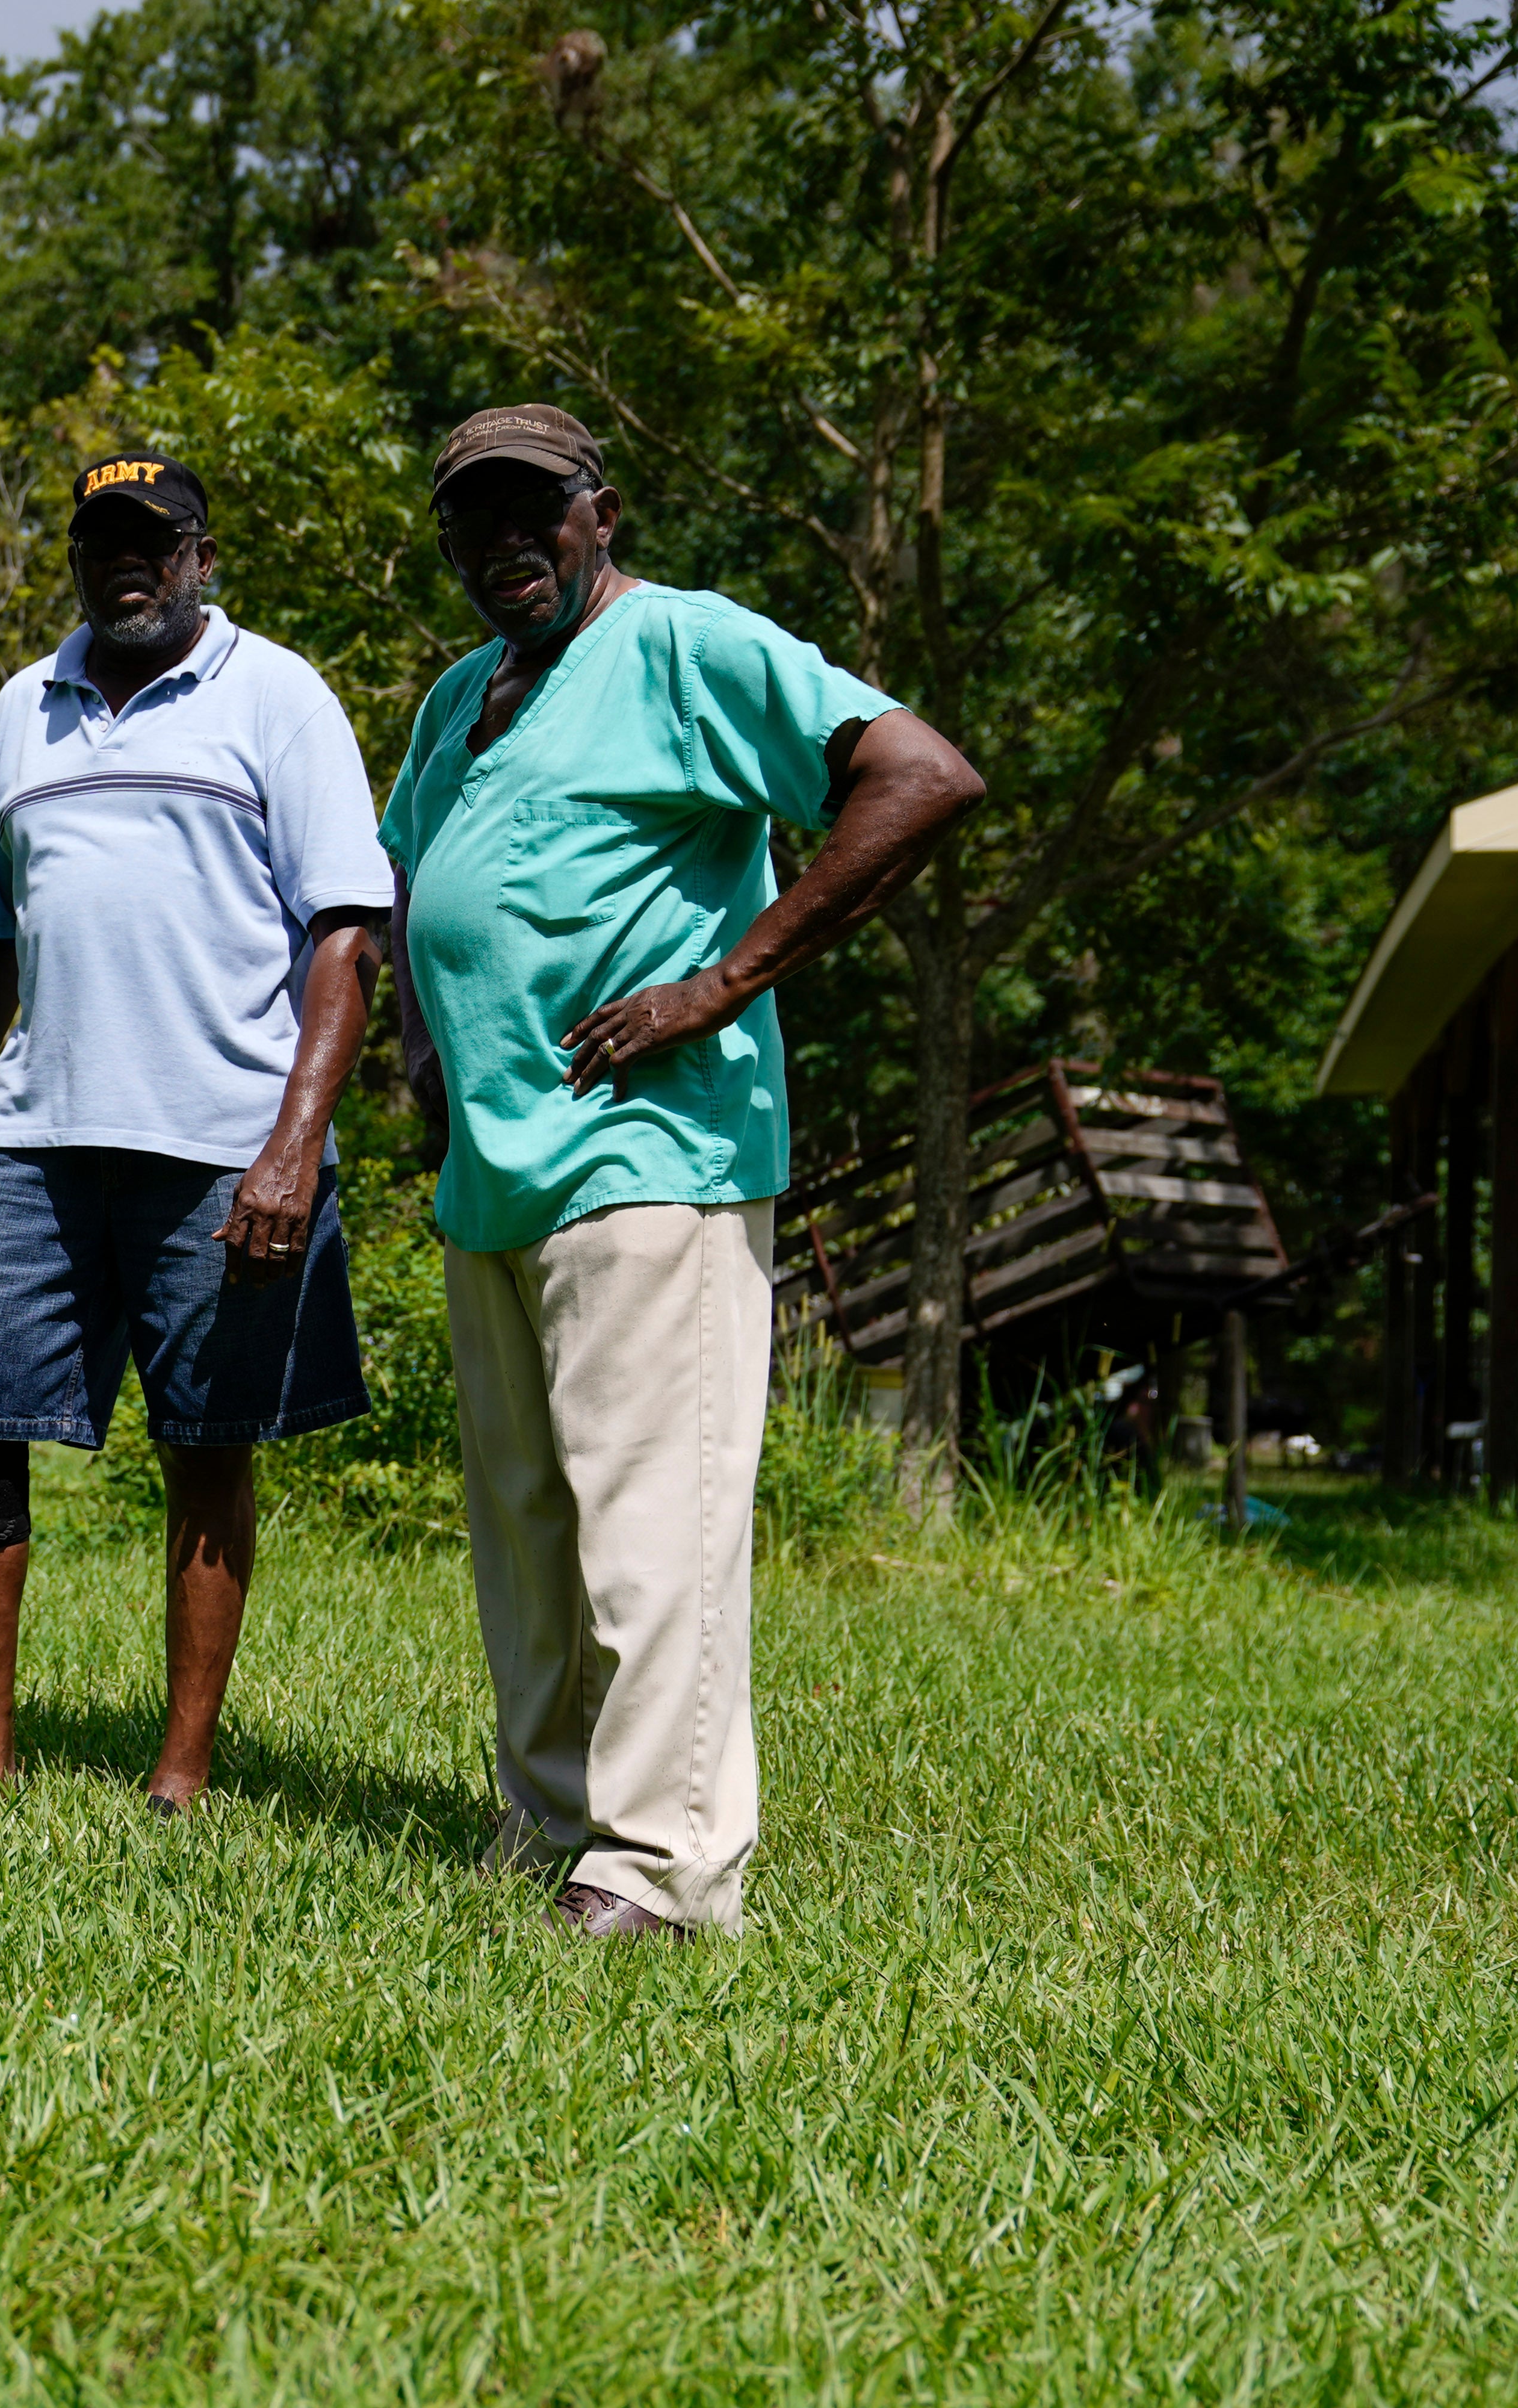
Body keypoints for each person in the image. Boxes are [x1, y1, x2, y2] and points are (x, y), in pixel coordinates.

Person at [382, 404, 984, 1935]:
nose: (504, 540)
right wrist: (425, 1065)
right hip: (500, 1168)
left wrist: (721, 983)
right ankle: (554, 1824)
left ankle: (664, 1867)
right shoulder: (462, 696)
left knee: (651, 1523)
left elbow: (919, 773)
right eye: (473, 518)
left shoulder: (683, 646)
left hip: (654, 1149)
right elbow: (413, 887)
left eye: (535, 510)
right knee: (526, 1526)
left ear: (604, 513)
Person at [0, 451, 395, 1811]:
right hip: (39, 1143)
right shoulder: (22, 708)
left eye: (155, 540)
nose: (128, 562)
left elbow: (348, 931)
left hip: (223, 1147)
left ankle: (183, 1773)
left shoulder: (278, 696)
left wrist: (294, 1144)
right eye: (104, 542)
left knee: (206, 1441)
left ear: (200, 556)